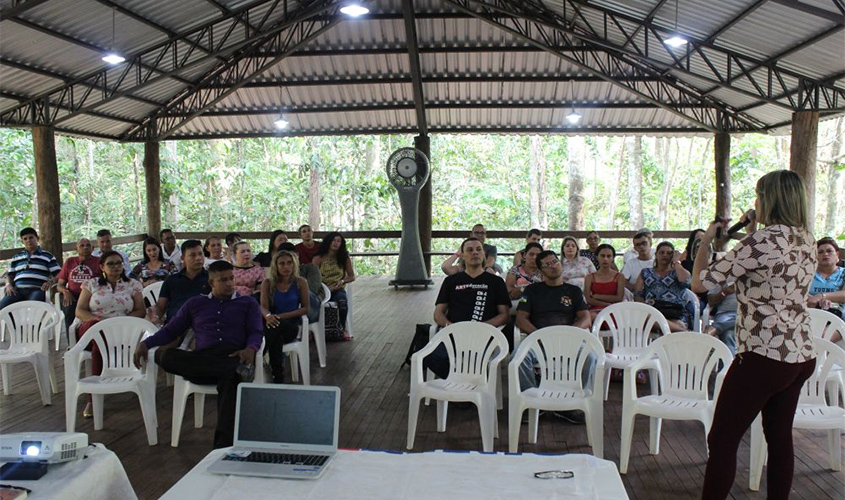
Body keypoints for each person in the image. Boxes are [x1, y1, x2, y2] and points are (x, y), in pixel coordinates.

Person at [692, 170, 817, 499]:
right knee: (779, 437)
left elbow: (700, 282)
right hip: (800, 352)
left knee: (722, 439)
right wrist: (750, 233)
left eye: (759, 196)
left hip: (764, 353)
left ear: (770, 199)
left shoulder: (761, 241)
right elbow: (769, 267)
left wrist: (706, 239)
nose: (755, 202)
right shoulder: (805, 238)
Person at [133, 260, 263, 449]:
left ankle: (222, 448)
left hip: (233, 354)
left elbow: (256, 331)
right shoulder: (196, 303)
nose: (229, 283)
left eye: (231, 278)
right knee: (168, 356)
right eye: (223, 280)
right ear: (211, 283)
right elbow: (171, 330)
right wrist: (146, 343)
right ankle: (232, 371)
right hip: (204, 360)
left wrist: (250, 348)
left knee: (230, 379)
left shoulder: (247, 302)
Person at [515, 249, 592, 423]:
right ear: (541, 271)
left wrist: (570, 333)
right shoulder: (532, 290)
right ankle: (532, 403)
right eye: (547, 265)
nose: (553, 266)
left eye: (554, 261)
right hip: (538, 340)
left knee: (591, 357)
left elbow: (586, 318)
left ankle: (575, 403)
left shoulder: (573, 291)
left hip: (569, 340)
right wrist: (539, 335)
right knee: (518, 358)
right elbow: (521, 319)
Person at [425, 237, 510, 379]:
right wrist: (450, 326)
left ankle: (465, 388)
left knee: (476, 363)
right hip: (454, 333)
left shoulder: (496, 282)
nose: (475, 252)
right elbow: (438, 313)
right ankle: (462, 387)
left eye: (478, 249)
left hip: (483, 335)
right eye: (470, 250)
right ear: (463, 256)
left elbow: (504, 315)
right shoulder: (451, 281)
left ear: (484, 254)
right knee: (431, 358)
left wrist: (482, 327)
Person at [75, 250, 145, 418]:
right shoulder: (91, 284)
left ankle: (93, 398)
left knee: (100, 344)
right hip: (93, 326)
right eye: (111, 264)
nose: (115, 267)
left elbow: (140, 310)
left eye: (119, 263)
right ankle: (94, 397)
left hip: (121, 329)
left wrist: (121, 323)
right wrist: (98, 320)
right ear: (102, 267)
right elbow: (80, 310)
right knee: (99, 334)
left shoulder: (132, 285)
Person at [259, 250, 310, 383]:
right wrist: (268, 316)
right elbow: (263, 307)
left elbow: (306, 309)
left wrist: (280, 316)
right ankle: (278, 377)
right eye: (282, 264)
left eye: (289, 263)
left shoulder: (300, 282)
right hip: (273, 324)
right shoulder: (267, 283)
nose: (286, 266)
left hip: (291, 327)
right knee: (277, 337)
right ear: (276, 266)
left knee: (275, 329)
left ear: (294, 265)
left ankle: (257, 358)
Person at [635, 241, 691, 332]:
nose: (665, 255)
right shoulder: (645, 272)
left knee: (659, 321)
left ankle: (676, 329)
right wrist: (645, 306)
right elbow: (637, 294)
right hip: (653, 311)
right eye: (662, 252)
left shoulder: (677, 272)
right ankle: (683, 331)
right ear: (656, 254)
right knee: (647, 318)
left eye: (669, 253)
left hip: (675, 313)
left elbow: (686, 282)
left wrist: (676, 262)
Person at [1, 227, 60, 310]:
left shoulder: (47, 256)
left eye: (31, 237)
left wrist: (50, 282)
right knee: (2, 307)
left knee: (33, 310)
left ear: (37, 238)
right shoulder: (17, 257)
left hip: (37, 290)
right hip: (17, 290)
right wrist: (8, 285)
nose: (28, 240)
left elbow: (59, 274)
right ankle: (13, 319)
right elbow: (9, 275)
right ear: (22, 241)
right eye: (25, 239)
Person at [154, 240, 210, 324]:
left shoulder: (212, 279)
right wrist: (155, 317)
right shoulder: (171, 280)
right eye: (192, 255)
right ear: (183, 258)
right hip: (174, 325)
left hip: (203, 325)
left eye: (200, 254)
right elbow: (160, 307)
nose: (198, 258)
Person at [313, 232, 356, 340]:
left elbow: (352, 276)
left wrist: (342, 281)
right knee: (313, 304)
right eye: (333, 240)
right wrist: (326, 288)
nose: (335, 243)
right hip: (322, 290)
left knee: (342, 302)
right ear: (328, 242)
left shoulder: (344, 258)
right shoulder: (318, 258)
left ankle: (342, 329)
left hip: (337, 289)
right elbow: (314, 279)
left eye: (338, 241)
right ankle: (313, 330)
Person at [56, 238, 100, 332]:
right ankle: (71, 338)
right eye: (82, 246)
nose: (85, 247)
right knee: (69, 307)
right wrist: (65, 291)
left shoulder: (98, 262)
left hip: (91, 295)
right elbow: (59, 285)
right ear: (76, 249)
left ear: (92, 248)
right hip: (73, 295)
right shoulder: (70, 262)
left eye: (88, 245)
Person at [583, 243, 625, 322]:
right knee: (590, 317)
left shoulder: (619, 276)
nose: (605, 259)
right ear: (597, 257)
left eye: (609, 256)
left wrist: (597, 296)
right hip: (595, 310)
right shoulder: (589, 277)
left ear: (612, 258)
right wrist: (606, 304)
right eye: (602, 256)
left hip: (614, 310)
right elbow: (588, 299)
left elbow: (619, 298)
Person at [808, 237, 845, 321]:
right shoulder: (807, 272)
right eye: (820, 252)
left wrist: (821, 296)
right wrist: (808, 298)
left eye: (829, 251)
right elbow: (796, 290)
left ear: (837, 254)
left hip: (839, 318)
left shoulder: (843, 273)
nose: (825, 254)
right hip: (809, 315)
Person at [705, 283, 738, 356]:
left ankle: (718, 327)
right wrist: (724, 292)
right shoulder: (723, 277)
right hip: (726, 314)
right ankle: (731, 362)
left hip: (749, 315)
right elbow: (711, 301)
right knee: (728, 335)